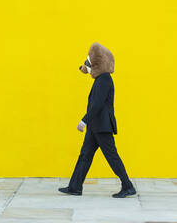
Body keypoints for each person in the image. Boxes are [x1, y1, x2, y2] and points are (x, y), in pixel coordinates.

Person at [58, 43, 136, 198]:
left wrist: (84, 120)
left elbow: (98, 104)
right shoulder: (100, 79)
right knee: (85, 155)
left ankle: (128, 186)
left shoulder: (105, 79)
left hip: (102, 126)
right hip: (96, 127)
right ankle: (75, 187)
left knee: (112, 156)